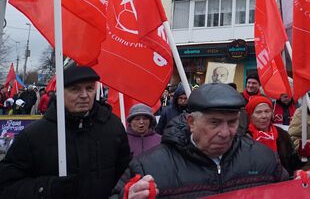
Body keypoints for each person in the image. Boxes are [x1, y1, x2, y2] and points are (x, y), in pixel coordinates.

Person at [115, 83, 287, 198]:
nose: (225, 133)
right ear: (191, 122)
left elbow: (287, 190)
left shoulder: (264, 157)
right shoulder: (147, 167)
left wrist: (304, 183)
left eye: (232, 122)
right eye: (215, 122)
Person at [0, 65, 131, 198]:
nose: (84, 95)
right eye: (75, 90)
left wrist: (131, 190)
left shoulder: (113, 127)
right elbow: (7, 186)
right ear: (60, 92)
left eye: (90, 88)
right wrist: (46, 188)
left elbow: (125, 175)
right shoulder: (33, 135)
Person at [246, 95, 303, 175]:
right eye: (258, 112)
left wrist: (301, 155)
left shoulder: (282, 135)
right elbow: (245, 170)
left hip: (282, 183)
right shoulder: (244, 139)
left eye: (267, 111)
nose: (264, 116)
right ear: (250, 116)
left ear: (272, 113)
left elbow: (292, 165)